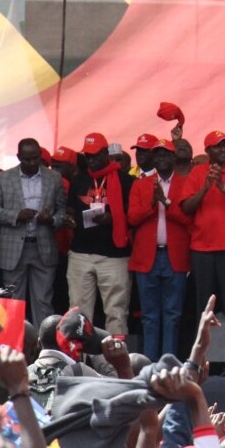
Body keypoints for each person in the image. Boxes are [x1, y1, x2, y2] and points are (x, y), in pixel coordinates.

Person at [0, 138, 67, 324]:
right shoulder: (3, 178)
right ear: (19, 157)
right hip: (12, 249)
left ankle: (43, 347)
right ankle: (14, 348)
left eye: (35, 158)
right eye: (27, 159)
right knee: (13, 302)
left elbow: (63, 210)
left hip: (43, 246)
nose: (32, 163)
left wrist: (52, 220)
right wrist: (16, 215)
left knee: (43, 301)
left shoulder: (54, 178)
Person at [180, 130, 225, 319]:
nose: (223, 149)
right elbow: (187, 207)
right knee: (205, 308)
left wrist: (222, 186)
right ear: (207, 150)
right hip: (203, 250)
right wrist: (205, 188)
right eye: (218, 146)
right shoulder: (197, 172)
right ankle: (204, 348)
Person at [127, 139, 191, 362]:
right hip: (147, 258)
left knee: (173, 315)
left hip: (175, 258)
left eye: (166, 155)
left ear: (174, 158)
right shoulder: (140, 185)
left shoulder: (185, 183)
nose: (162, 159)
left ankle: (169, 363)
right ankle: (149, 364)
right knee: (149, 316)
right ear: (153, 159)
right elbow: (132, 218)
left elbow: (189, 220)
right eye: (158, 155)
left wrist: (167, 203)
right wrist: (152, 204)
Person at [66, 132, 135, 336]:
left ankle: (116, 361)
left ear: (106, 153)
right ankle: (80, 361)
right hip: (80, 253)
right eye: (88, 156)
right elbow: (71, 208)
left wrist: (113, 218)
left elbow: (134, 215)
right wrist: (69, 219)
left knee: (116, 311)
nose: (92, 160)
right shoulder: (78, 180)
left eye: (96, 155)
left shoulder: (125, 180)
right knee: (77, 311)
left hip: (113, 255)